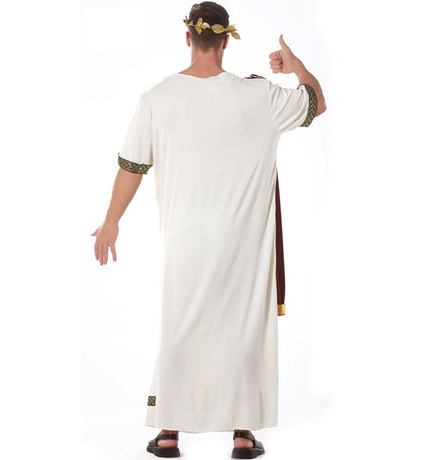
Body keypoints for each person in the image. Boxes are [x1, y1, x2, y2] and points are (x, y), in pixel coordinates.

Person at [91, 2, 326, 458]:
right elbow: (316, 101)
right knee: (242, 330)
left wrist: (111, 221)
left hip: (185, 240)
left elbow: (132, 167)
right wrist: (295, 65)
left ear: (188, 38)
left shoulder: (157, 98)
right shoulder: (260, 96)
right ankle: (241, 434)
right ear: (225, 41)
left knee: (180, 326)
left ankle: (168, 433)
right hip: (243, 244)